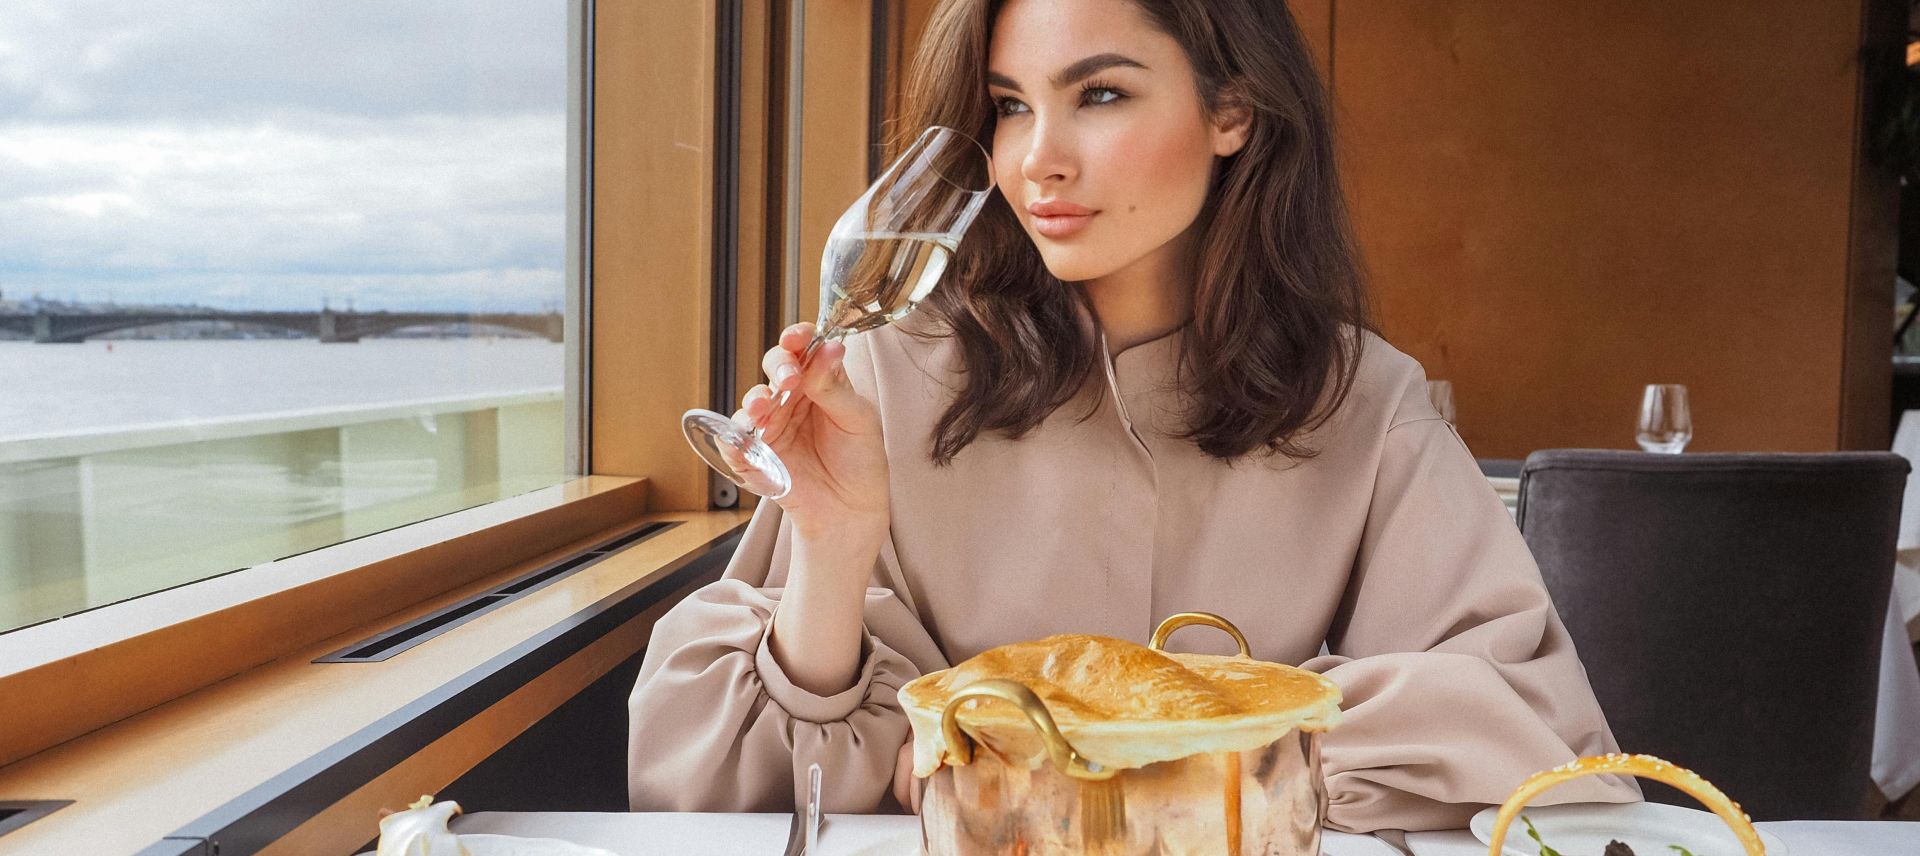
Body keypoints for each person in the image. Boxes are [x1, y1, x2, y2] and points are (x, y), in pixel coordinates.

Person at [627, 0, 1639, 832]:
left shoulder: (1362, 399)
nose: (1038, 160)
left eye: (1100, 95)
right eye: (1010, 106)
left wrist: (1090, 766)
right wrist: (832, 545)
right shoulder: (886, 379)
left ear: (1231, 111)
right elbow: (705, 792)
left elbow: (1547, 745)